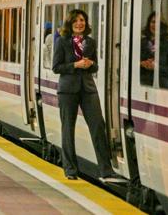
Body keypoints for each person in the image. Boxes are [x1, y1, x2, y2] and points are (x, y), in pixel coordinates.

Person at [52, 9, 123, 183]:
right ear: (70, 23)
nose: (79, 23)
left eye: (82, 20)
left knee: (98, 125)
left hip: (88, 89)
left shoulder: (90, 42)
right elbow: (56, 67)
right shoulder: (62, 42)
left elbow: (95, 66)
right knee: (68, 129)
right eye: (76, 20)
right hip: (67, 90)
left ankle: (106, 170)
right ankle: (70, 169)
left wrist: (90, 64)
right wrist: (75, 65)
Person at [140, 12, 168, 89]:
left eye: (158, 22)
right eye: (153, 22)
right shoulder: (142, 42)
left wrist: (156, 67)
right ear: (149, 23)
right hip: (142, 86)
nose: (155, 25)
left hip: (162, 88)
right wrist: (141, 63)